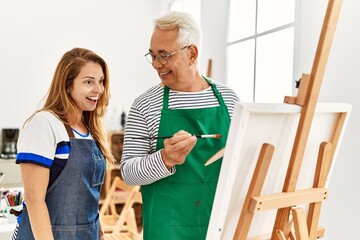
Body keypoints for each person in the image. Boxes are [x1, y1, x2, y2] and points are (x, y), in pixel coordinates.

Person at [120, 11, 240, 240]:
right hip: (167, 231)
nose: (156, 65)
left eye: (164, 55)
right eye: (152, 55)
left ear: (192, 53)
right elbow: (128, 173)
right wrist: (165, 159)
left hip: (221, 229)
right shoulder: (144, 105)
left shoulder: (229, 99)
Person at [12, 47, 115, 240]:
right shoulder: (44, 124)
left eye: (101, 81)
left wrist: (100, 234)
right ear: (67, 85)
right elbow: (34, 200)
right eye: (88, 82)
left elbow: (89, 198)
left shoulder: (91, 130)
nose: (98, 89)